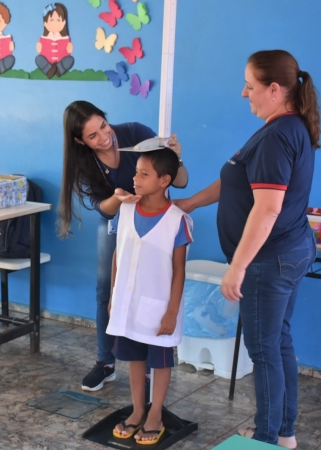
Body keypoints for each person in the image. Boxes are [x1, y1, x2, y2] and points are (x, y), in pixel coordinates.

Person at [175, 50, 321, 447]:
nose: (244, 93)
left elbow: (268, 208)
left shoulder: (277, 135)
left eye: (251, 86)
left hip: (268, 260)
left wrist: (237, 266)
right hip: (289, 251)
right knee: (278, 342)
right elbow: (236, 179)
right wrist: (188, 204)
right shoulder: (284, 127)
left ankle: (267, 439)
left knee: (264, 351)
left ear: (275, 90)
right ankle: (283, 433)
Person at [57, 100, 188, 392]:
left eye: (103, 125)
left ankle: (150, 359)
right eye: (92, 136)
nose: (103, 137)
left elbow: (179, 181)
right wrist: (118, 198)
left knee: (153, 284)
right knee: (107, 288)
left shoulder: (135, 133)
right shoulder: (84, 162)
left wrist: (177, 158)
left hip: (154, 216)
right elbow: (104, 210)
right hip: (119, 216)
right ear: (80, 140)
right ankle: (106, 361)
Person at [107, 148, 192, 445]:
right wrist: (114, 294)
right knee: (133, 356)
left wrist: (171, 312)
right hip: (128, 302)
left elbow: (179, 271)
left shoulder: (177, 220)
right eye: (136, 172)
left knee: (160, 359)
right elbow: (119, 253)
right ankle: (137, 410)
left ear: (165, 180)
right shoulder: (126, 209)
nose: (136, 178)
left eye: (145, 174)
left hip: (159, 306)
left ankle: (155, 414)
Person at [35, 3, 74, 78]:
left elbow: (68, 52)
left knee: (70, 59)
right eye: (51, 20)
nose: (55, 22)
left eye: (58, 20)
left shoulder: (65, 39)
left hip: (61, 61)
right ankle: (49, 70)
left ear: (63, 23)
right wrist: (39, 48)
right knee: (38, 59)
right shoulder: (44, 39)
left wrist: (69, 49)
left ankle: (58, 70)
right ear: (45, 23)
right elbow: (41, 52)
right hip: (47, 61)